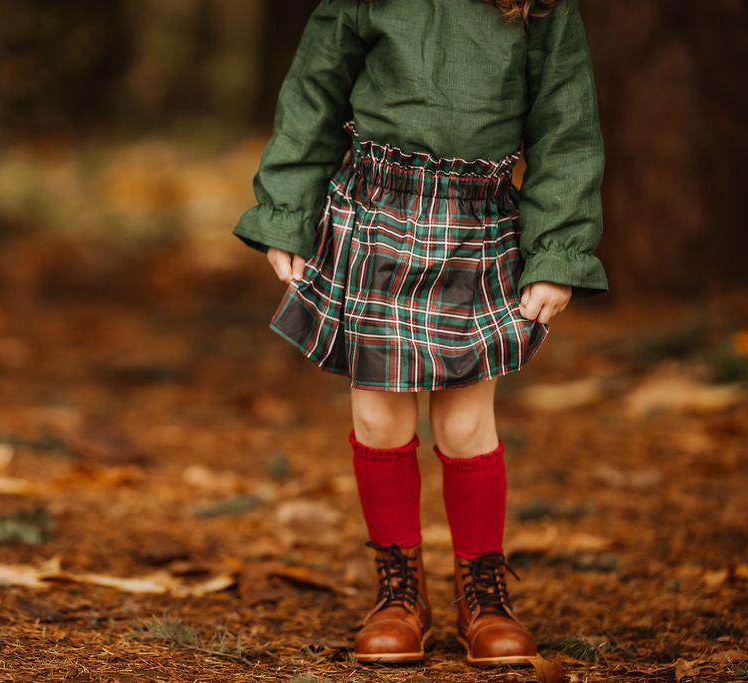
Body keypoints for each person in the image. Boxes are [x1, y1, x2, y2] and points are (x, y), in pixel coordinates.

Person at [233, 0, 607, 667]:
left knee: (465, 423)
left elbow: (565, 125)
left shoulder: (540, 6)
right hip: (377, 213)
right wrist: (286, 214)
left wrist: (557, 251)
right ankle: (400, 593)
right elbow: (314, 91)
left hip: (476, 222)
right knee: (377, 415)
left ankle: (483, 594)